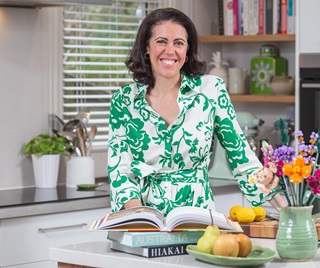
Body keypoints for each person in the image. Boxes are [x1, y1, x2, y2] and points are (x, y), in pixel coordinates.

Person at [107, 7, 284, 216]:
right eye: (161, 41)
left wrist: (288, 211)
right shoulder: (123, 100)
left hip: (195, 218)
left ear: (188, 50)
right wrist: (142, 218)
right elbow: (120, 171)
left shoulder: (211, 90)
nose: (170, 51)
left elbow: (243, 158)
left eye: (179, 43)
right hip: (143, 218)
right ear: (146, 47)